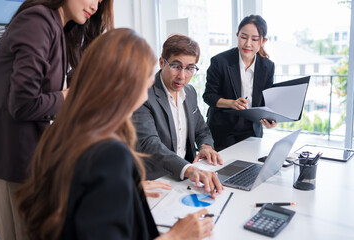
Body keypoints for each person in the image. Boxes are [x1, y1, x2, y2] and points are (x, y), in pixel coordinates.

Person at [16, 28, 214, 240]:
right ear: (128, 85)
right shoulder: (109, 153)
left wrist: (127, 187)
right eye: (148, 78)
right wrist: (176, 236)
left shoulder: (61, 132)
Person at [0, 0, 113, 239]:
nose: (95, 5)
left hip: (37, 164)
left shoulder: (57, 27)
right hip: (17, 166)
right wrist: (70, 95)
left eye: (101, 1)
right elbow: (23, 104)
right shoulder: (38, 20)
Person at [133, 34, 223, 198]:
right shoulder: (143, 94)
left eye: (189, 68)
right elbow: (149, 144)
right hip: (157, 184)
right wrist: (189, 170)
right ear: (162, 62)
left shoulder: (189, 92)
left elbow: (201, 129)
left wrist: (206, 146)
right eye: (176, 66)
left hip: (186, 182)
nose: (182, 76)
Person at [203, 15, 277, 151]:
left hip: (252, 130)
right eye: (243, 37)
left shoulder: (268, 66)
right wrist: (231, 103)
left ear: (263, 41)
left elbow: (267, 102)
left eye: (254, 39)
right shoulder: (220, 62)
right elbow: (208, 96)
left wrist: (271, 119)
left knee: (250, 169)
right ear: (237, 35)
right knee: (223, 170)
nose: (248, 44)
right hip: (222, 129)